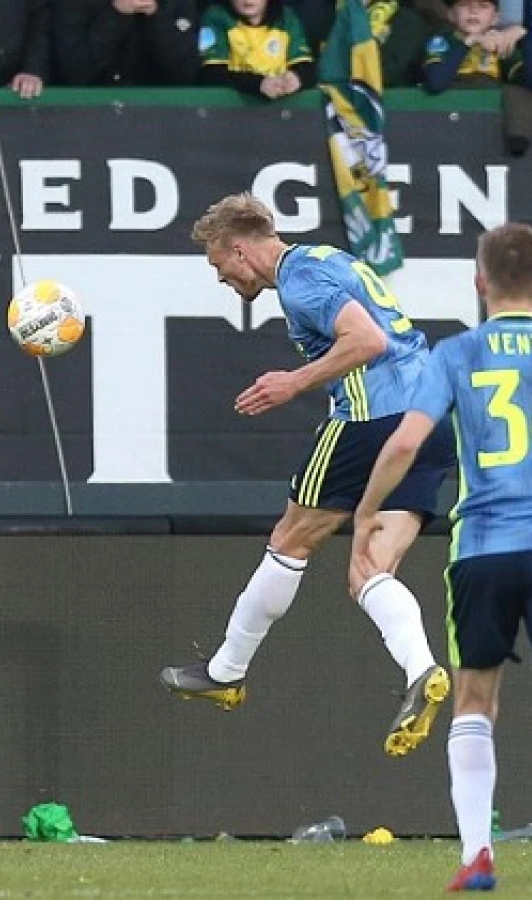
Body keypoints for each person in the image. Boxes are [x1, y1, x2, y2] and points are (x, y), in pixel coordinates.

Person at [350, 223, 532, 892]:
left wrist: (367, 515)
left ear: (480, 283)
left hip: (482, 548)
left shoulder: (456, 355)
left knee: (474, 701)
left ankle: (478, 855)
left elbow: (404, 446)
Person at [159, 193, 455, 757]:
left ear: (239, 249)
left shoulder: (299, 282)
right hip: (433, 420)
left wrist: (294, 382)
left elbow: (368, 340)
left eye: (217, 263)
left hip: (374, 419)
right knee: (370, 569)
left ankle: (227, 670)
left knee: (289, 541)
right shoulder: (329, 258)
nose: (220, 276)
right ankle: (422, 671)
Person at [422, 0, 532, 155]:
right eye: (464, 5)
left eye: (483, 6)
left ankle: (518, 138)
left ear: (495, 18)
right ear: (451, 14)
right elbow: (436, 83)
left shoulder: (499, 43)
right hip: (449, 113)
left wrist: (524, 41)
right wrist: (468, 43)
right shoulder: (442, 40)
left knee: (518, 91)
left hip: (489, 119)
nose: (473, 11)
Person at [54, 0, 200, 87]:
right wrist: (116, 14)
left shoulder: (177, 3)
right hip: (91, 113)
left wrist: (154, 15)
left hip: (161, 116)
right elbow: (75, 71)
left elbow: (185, 71)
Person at [198, 0, 316, 100]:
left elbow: (305, 65)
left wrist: (297, 78)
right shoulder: (216, 17)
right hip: (230, 111)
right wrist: (259, 84)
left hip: (282, 112)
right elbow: (212, 74)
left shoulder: (286, 19)